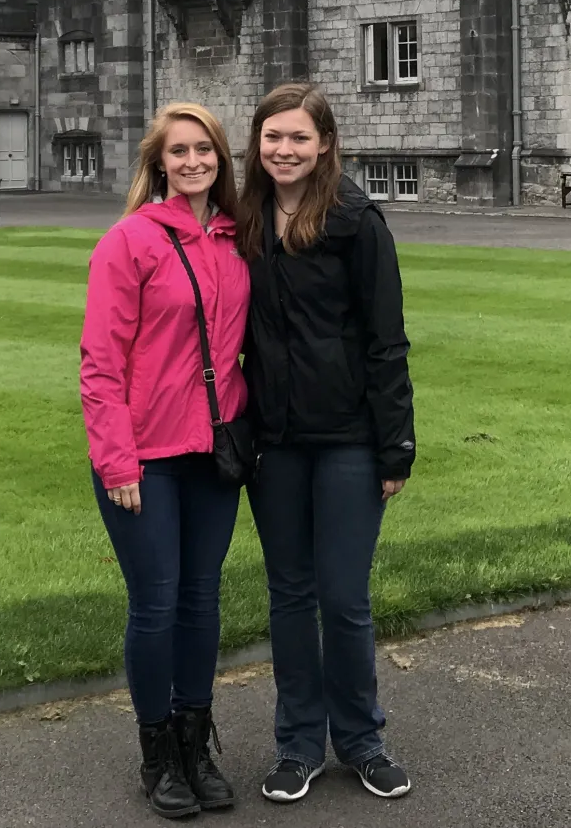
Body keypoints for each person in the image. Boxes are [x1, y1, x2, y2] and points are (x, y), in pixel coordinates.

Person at [237, 82, 416, 803]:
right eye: (272, 138)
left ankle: (363, 739)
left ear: (325, 144)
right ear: (257, 145)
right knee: (289, 595)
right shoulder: (242, 218)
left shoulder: (355, 220)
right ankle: (298, 742)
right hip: (272, 440)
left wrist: (395, 443)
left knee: (343, 597)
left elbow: (386, 338)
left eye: (297, 138)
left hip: (346, 436)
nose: (283, 150)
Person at [82, 102, 251, 819]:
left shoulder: (236, 240)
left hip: (214, 450)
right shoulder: (130, 241)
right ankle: (158, 752)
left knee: (201, 600)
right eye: (178, 151)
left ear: (220, 159)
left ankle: (194, 740)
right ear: (157, 162)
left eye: (204, 150)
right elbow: (100, 359)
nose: (192, 162)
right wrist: (116, 459)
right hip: (144, 454)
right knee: (156, 604)